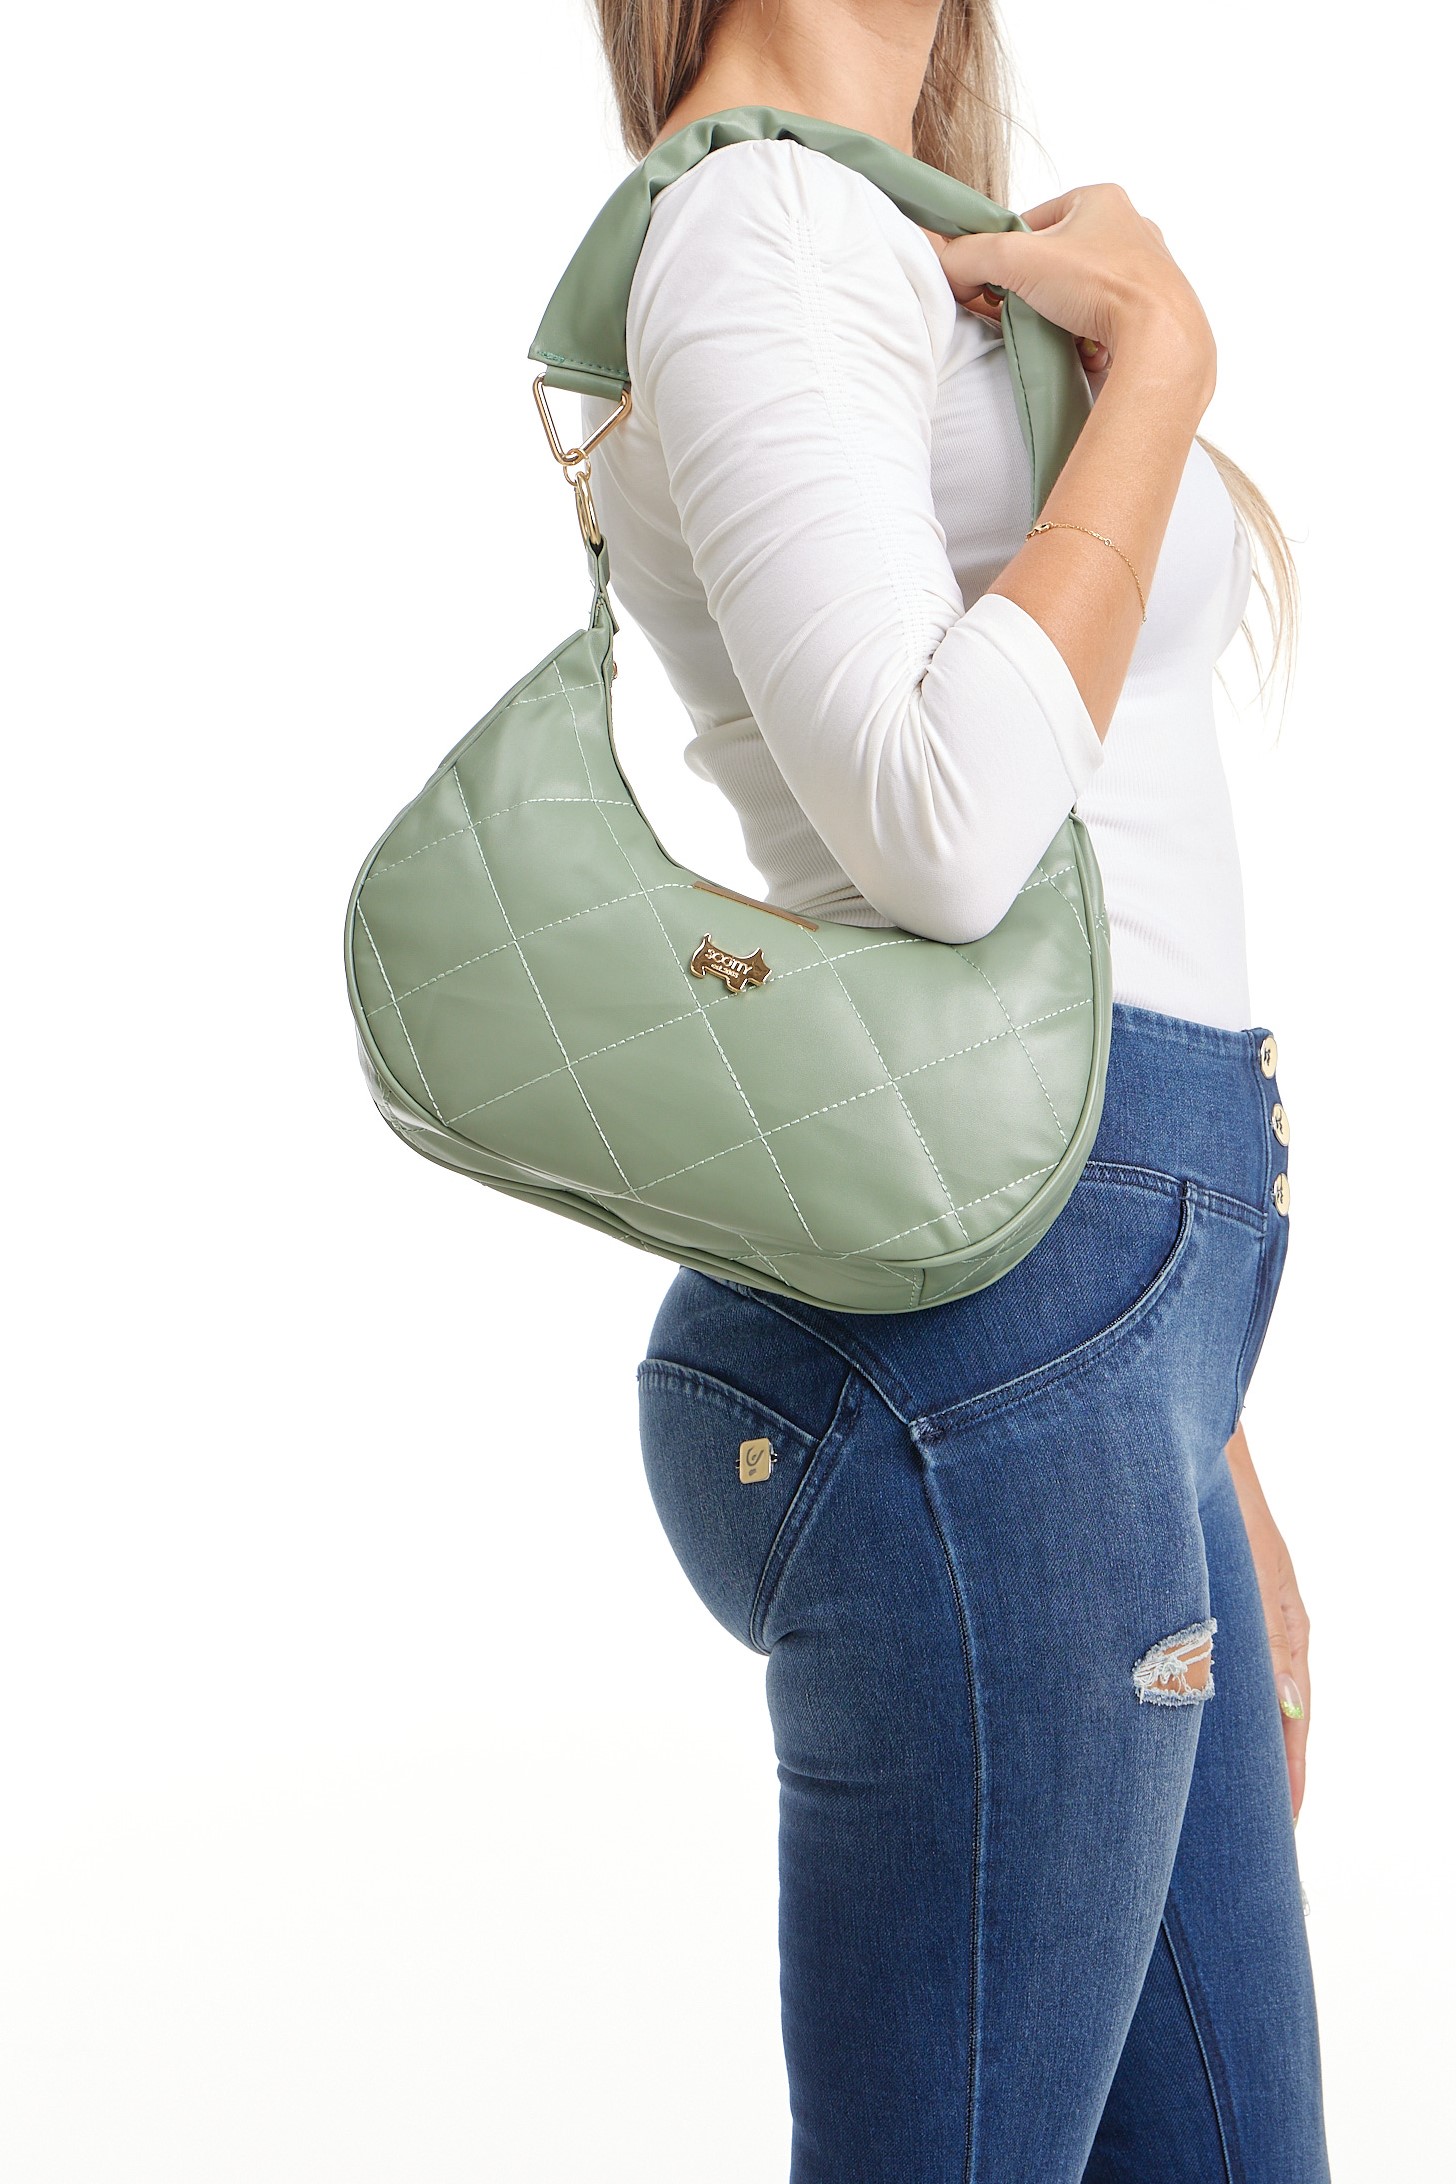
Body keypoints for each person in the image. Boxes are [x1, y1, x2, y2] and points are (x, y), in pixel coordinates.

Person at [579, 2, 1329, 2175]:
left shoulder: (910, 225)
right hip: (971, 1367)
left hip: (1095, 1336)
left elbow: (1091, 908)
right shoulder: (758, 230)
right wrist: (1156, 378)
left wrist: (1211, 1455)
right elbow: (938, 829)